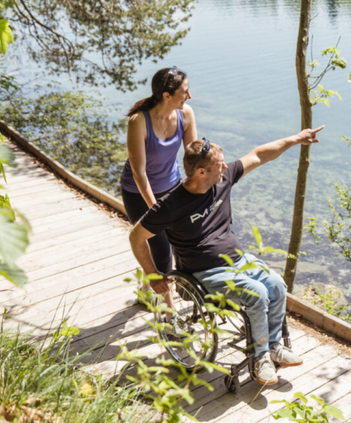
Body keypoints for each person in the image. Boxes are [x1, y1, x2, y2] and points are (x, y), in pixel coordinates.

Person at [129, 126, 325, 387]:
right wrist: (153, 275)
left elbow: (258, 155)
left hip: (239, 262)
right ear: (201, 172)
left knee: (277, 283)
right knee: (256, 293)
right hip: (203, 274)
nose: (225, 169)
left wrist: (296, 139)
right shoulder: (170, 204)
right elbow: (136, 236)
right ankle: (260, 357)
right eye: (219, 166)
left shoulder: (221, 179)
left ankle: (274, 345)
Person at [120, 66, 197, 276]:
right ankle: (166, 306)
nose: (189, 96)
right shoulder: (139, 122)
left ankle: (164, 288)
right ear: (166, 95)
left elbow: (193, 159)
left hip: (171, 186)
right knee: (162, 247)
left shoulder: (186, 114)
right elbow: (139, 173)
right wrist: (156, 209)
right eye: (184, 92)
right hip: (138, 192)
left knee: (182, 239)